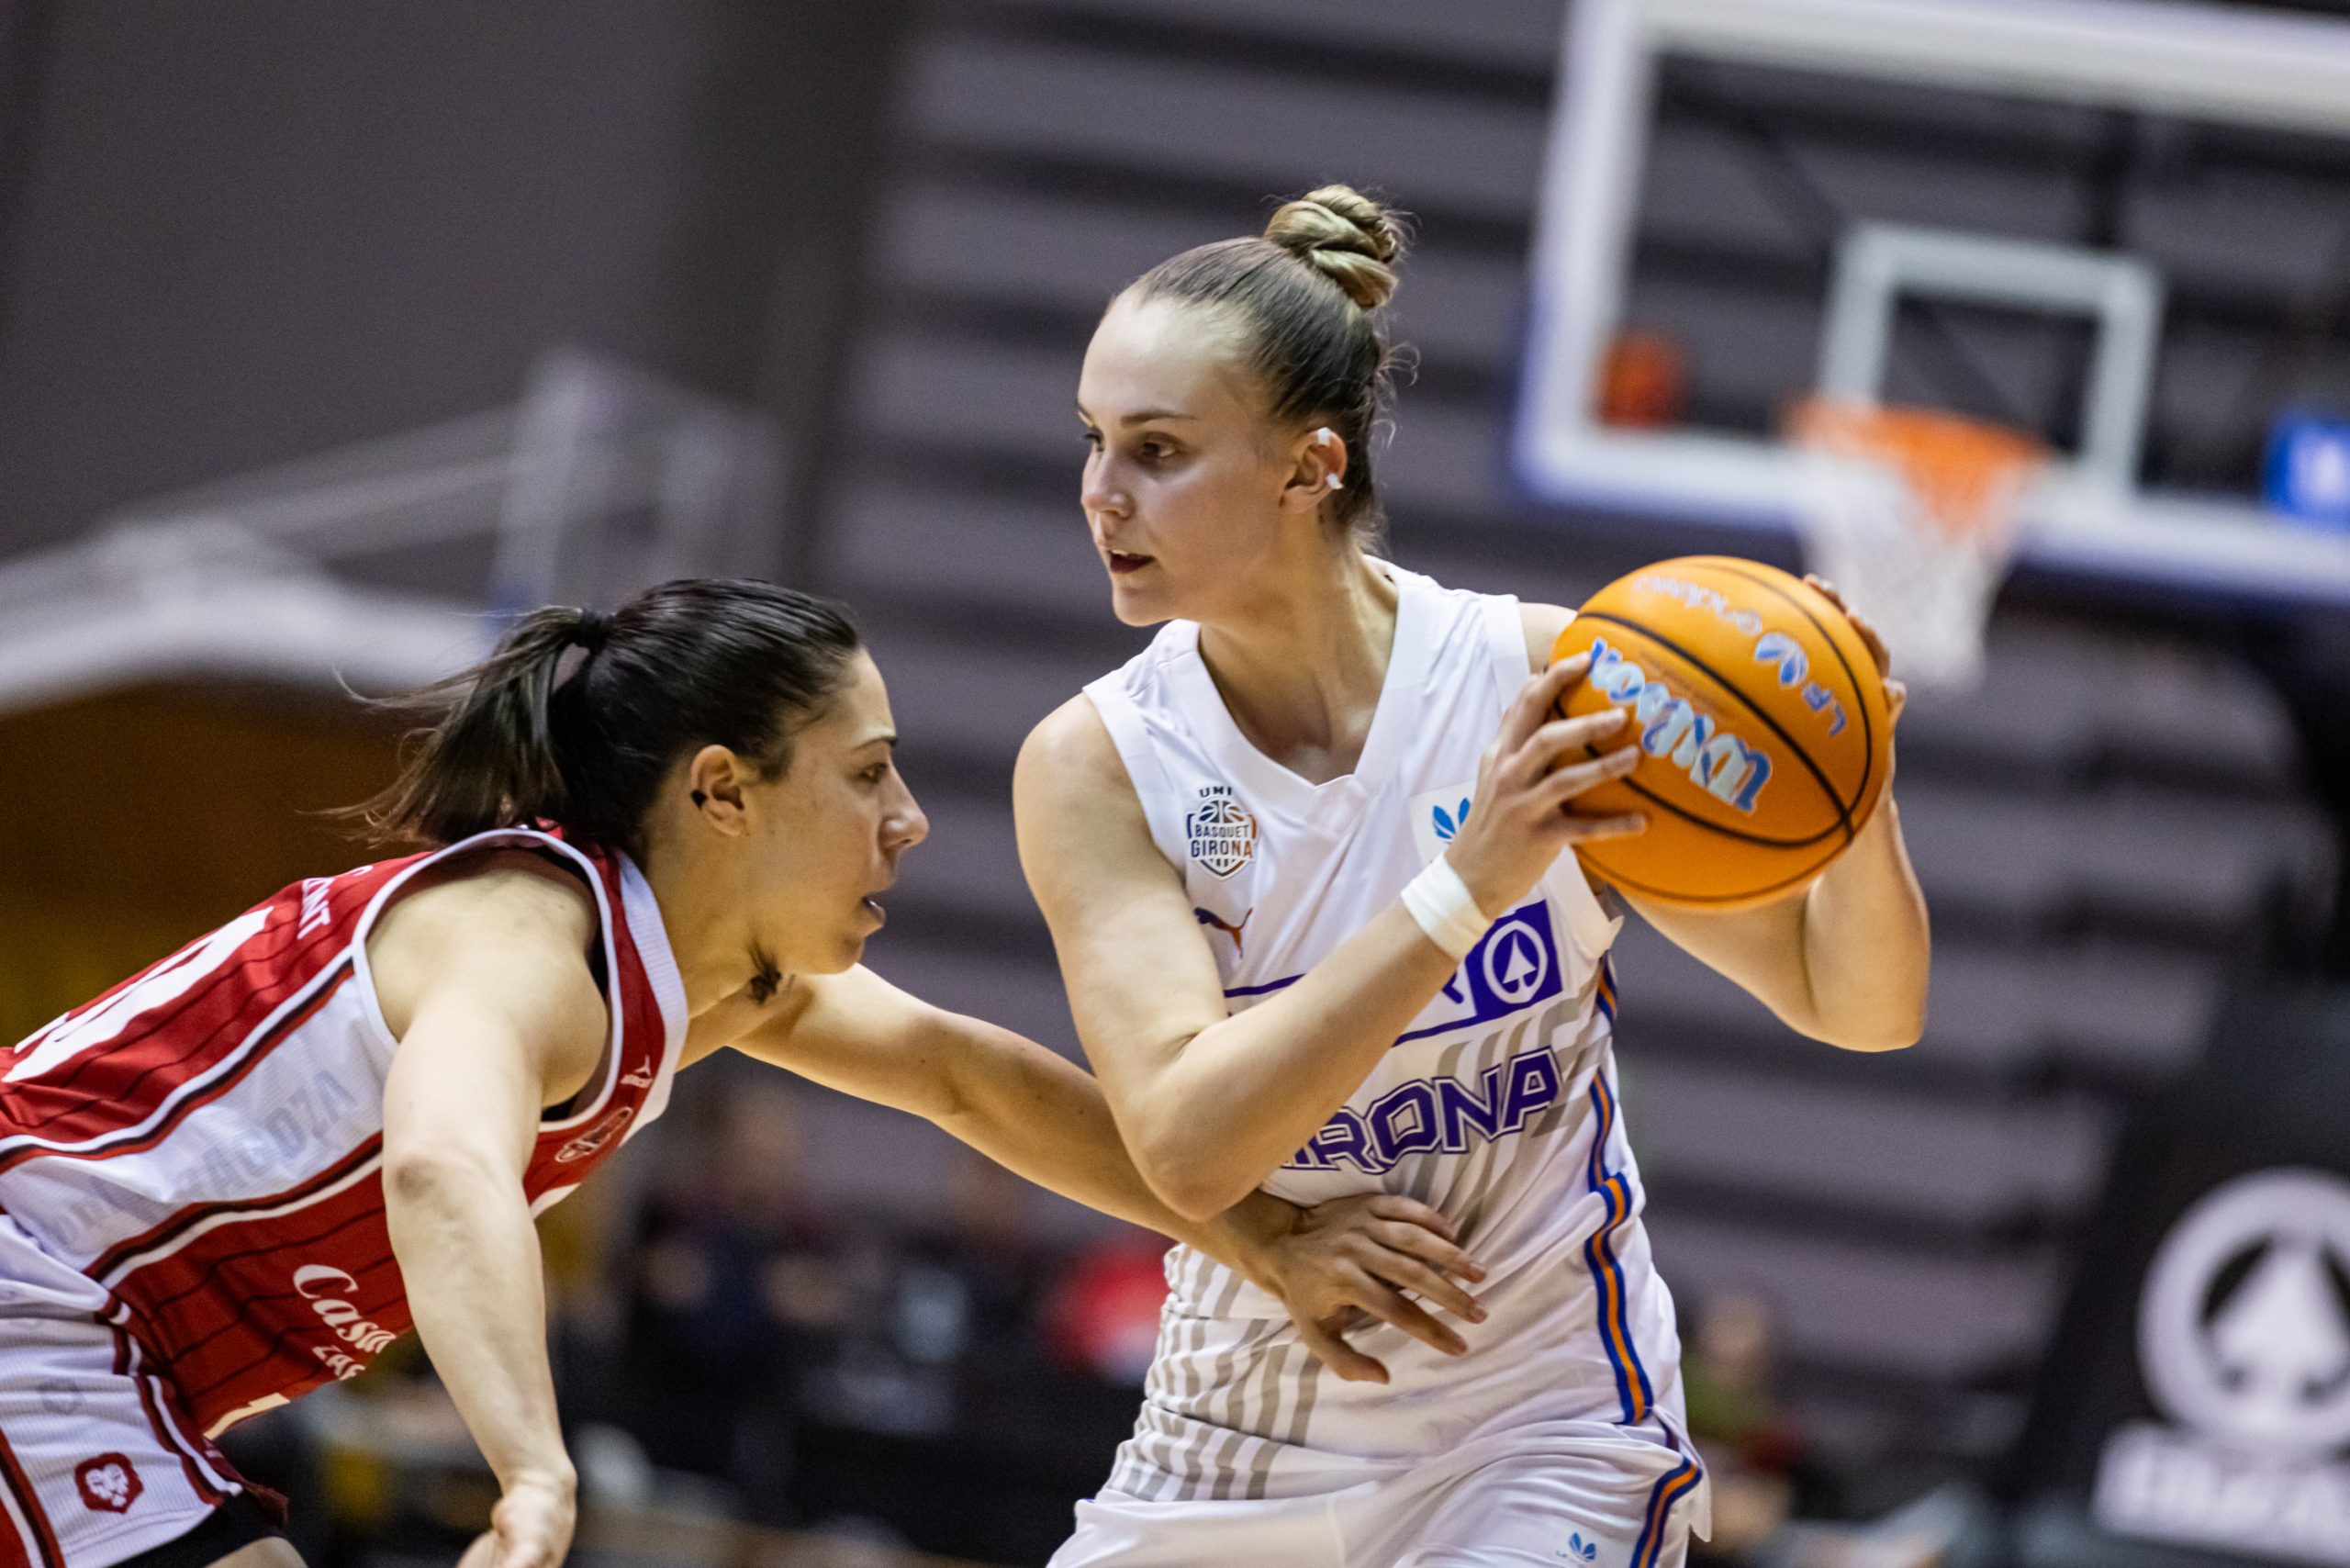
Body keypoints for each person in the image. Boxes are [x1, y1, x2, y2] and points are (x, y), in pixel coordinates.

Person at [0, 578, 1485, 1568]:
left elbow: (968, 1079)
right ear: (721, 793)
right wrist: (533, 1467)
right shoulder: (529, 944)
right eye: (867, 773)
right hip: (38, 1297)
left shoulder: (709, 983)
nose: (908, 820)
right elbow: (441, 1166)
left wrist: (1270, 1237)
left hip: (118, 1356)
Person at [1015, 186, 1931, 1567]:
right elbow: (1191, 1147)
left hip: (1544, 1427)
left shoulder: (1543, 681)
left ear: (1308, 467)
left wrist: (1851, 791)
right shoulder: (1101, 763)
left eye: (1155, 450)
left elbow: (1854, 1003)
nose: (1100, 493)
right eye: (1093, 442)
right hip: (1240, 1428)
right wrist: (1468, 882)